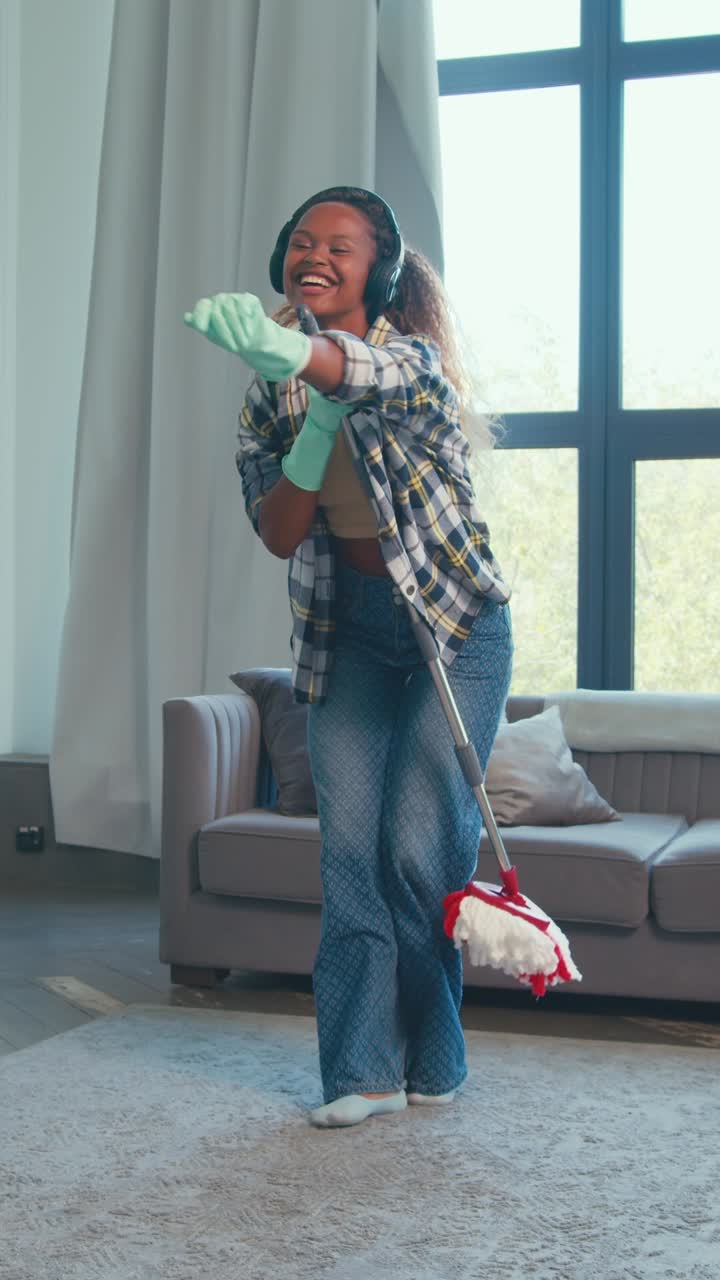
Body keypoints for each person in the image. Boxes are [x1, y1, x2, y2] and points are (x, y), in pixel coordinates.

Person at [184, 186, 513, 1128]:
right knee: (350, 857)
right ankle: (361, 1071)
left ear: (382, 269)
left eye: (341, 245)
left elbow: (362, 372)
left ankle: (436, 1055)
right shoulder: (268, 393)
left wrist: (306, 359)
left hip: (454, 629)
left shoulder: (412, 363)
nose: (314, 255)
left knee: (418, 846)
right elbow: (280, 531)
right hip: (347, 637)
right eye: (301, 242)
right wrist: (305, 407)